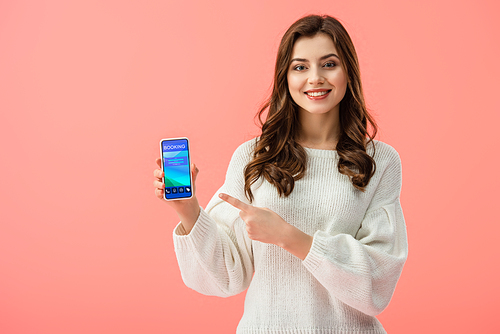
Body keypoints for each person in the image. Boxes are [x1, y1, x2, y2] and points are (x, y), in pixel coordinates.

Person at [153, 14, 408, 334]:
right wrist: (188, 211)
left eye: (329, 64)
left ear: (348, 72)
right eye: (300, 67)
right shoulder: (254, 156)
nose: (315, 78)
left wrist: (289, 237)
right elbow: (225, 277)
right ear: (285, 77)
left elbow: (376, 284)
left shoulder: (379, 162)